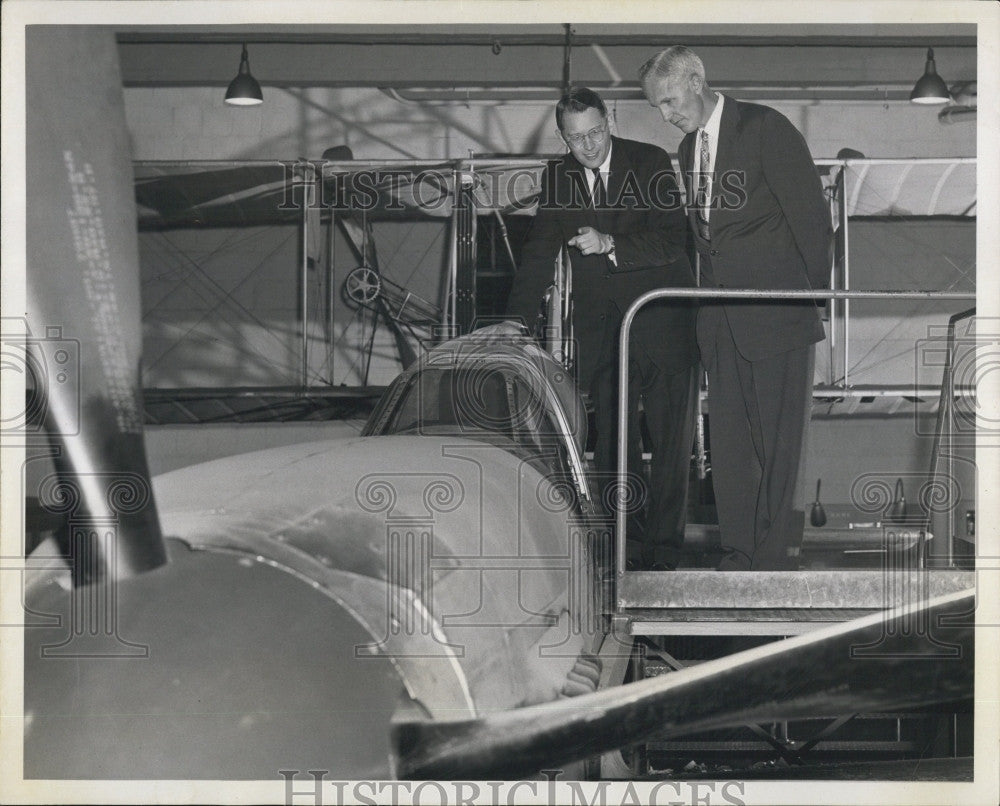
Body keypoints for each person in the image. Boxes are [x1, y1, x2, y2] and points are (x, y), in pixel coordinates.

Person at [639, 47, 832, 571]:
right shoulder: (686, 150)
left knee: (779, 452)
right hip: (719, 324)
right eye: (657, 107)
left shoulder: (766, 128)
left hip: (778, 317)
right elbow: (708, 240)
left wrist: (805, 306)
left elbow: (814, 226)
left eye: (670, 101)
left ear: (697, 82)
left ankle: (775, 561)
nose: (665, 115)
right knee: (729, 452)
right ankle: (739, 555)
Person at [505, 87, 698, 571]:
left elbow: (675, 240)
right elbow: (537, 253)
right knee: (613, 444)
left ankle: (665, 552)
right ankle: (625, 550)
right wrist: (513, 319)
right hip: (607, 330)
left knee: (671, 440)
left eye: (595, 132)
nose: (588, 146)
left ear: (608, 120)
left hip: (666, 323)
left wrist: (611, 242)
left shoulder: (650, 161)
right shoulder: (559, 177)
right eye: (576, 139)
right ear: (562, 137)